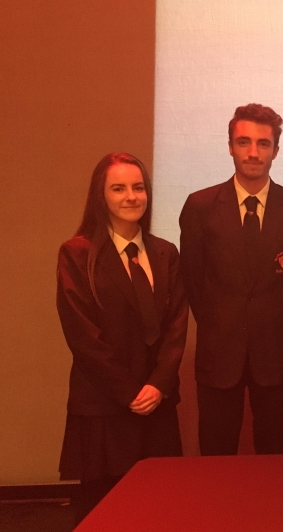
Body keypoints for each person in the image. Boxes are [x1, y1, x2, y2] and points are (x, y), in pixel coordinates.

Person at [56, 153, 187, 523]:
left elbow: (177, 326)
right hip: (104, 405)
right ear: (101, 196)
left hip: (156, 405)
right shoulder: (77, 254)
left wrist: (158, 386)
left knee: (159, 510)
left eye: (138, 187)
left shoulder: (165, 253)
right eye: (119, 188)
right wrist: (130, 391)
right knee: (106, 515)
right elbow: (83, 336)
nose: (132, 196)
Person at [179, 104, 283, 455]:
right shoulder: (200, 206)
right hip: (218, 354)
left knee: (271, 456)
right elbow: (193, 282)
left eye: (263, 144)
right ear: (229, 146)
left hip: (276, 356)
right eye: (243, 142)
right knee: (216, 454)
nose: (253, 153)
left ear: (276, 150)